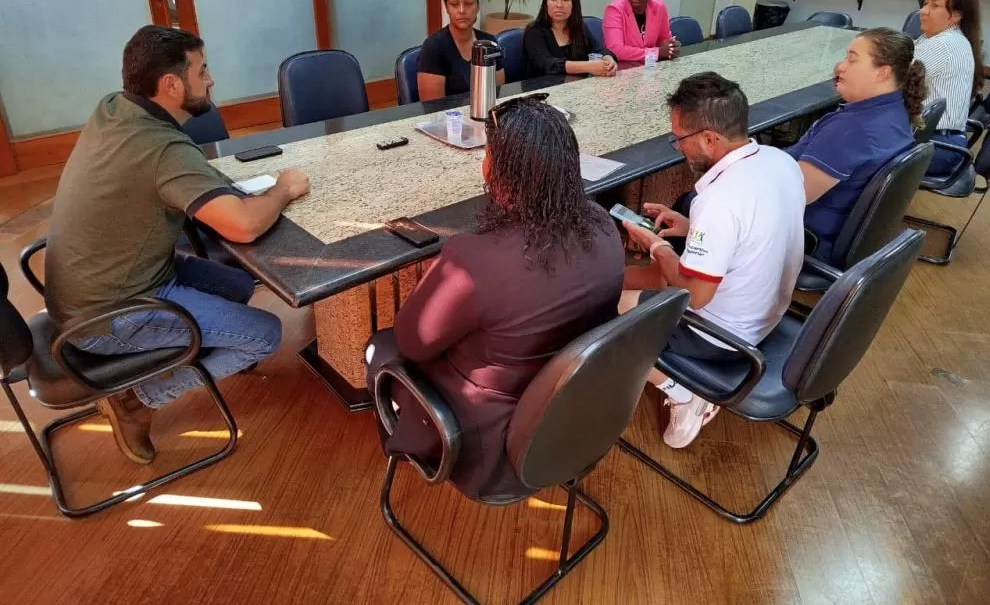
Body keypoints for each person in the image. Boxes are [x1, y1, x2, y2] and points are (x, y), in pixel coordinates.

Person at [44, 25, 310, 465]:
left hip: (98, 283)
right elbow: (243, 228)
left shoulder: (114, 107)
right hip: (109, 315)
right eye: (202, 70)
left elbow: (160, 179)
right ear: (170, 84)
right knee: (267, 333)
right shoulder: (162, 149)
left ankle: (216, 346)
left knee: (242, 284)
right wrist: (283, 189)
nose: (210, 80)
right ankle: (137, 401)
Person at [364, 96, 624, 501]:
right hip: (575, 421)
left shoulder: (471, 262)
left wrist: (433, 282)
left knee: (380, 346)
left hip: (492, 453)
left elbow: (411, 343)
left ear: (494, 170)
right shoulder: (604, 225)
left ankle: (412, 444)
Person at [618, 72, 805, 448]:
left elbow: (695, 294)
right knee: (636, 281)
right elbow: (755, 229)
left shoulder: (719, 201)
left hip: (723, 338)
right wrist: (693, 227)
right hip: (771, 313)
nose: (677, 148)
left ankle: (683, 392)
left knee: (611, 307)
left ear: (708, 138)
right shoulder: (777, 160)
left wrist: (657, 247)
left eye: (680, 139)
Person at [786, 28, 922, 261]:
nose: (841, 66)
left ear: (882, 73)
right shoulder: (895, 113)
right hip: (841, 230)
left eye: (852, 59)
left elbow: (790, 196)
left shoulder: (852, 131)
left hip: (807, 237)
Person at [914, 0, 984, 176]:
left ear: (956, 15)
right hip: (942, 143)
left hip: (935, 147)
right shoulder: (940, 37)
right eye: (925, 3)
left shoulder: (943, 45)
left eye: (934, 6)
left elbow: (892, 86)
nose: (923, 11)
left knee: (851, 144)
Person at [417, 0, 505, 101]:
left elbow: (496, 95)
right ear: (446, 7)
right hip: (449, 119)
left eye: (468, 3)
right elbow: (433, 108)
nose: (462, 10)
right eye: (454, 4)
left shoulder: (489, 44)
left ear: (478, 6)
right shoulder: (433, 47)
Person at [523, 0, 617, 79]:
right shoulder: (534, 31)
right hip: (542, 91)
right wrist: (588, 66)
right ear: (546, 3)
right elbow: (548, 65)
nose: (559, 5)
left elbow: (600, 50)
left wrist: (609, 60)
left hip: (576, 89)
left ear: (574, 4)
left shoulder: (580, 28)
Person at [602, 0, 680, 64]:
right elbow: (615, 49)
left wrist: (670, 47)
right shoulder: (614, 10)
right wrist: (656, 53)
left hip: (650, 69)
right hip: (622, 70)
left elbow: (664, 38)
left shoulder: (659, 7)